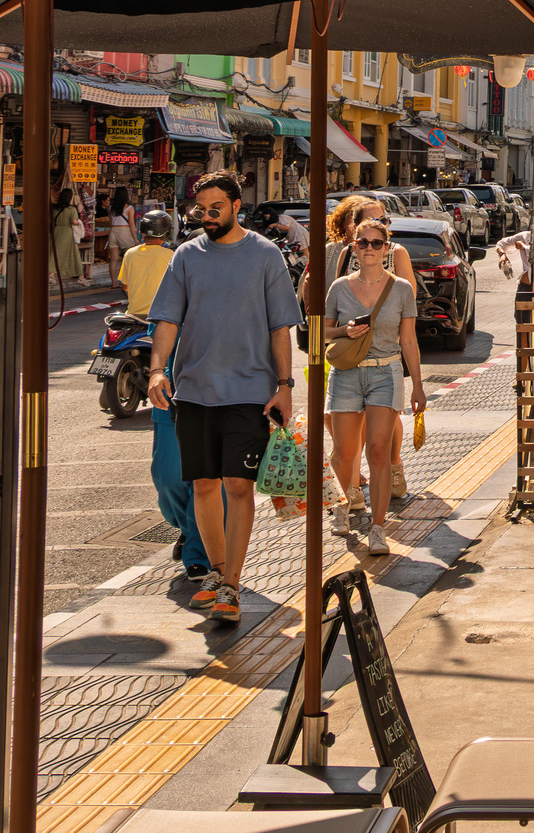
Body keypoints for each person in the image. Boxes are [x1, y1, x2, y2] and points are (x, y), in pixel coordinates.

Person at [146, 171, 301, 624]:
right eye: (200, 210)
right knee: (203, 484)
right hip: (194, 391)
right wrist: (158, 369)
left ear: (237, 206)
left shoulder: (266, 255)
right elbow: (168, 320)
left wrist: (285, 387)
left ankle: (232, 583)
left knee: (238, 485)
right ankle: (215, 573)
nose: (207, 217)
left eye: (216, 208)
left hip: (249, 391)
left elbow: (279, 328)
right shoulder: (186, 256)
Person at [324, 208, 427, 556]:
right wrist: (343, 330)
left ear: (387, 248)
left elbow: (409, 340)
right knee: (343, 453)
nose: (369, 248)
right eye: (363, 242)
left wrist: (418, 386)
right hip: (347, 374)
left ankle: (378, 527)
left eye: (376, 243)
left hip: (386, 372)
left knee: (379, 452)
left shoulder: (401, 289)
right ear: (354, 247)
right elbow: (321, 333)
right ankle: (344, 501)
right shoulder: (339, 288)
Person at [118, 207, 176, 322]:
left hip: (133, 315)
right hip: (160, 315)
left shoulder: (130, 253)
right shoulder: (171, 255)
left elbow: (125, 286)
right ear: (166, 233)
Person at [50, 185, 83, 285]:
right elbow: (74, 221)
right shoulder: (71, 209)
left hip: (55, 231)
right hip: (67, 233)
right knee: (73, 254)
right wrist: (79, 222)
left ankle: (51, 274)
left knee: (55, 253)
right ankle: (80, 276)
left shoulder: (54, 208)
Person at [105, 185, 135, 279]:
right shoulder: (129, 208)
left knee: (113, 259)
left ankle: (114, 283)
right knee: (130, 256)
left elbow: (110, 221)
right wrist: (135, 239)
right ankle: (126, 281)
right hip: (124, 231)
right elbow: (131, 224)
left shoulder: (111, 208)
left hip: (113, 232)